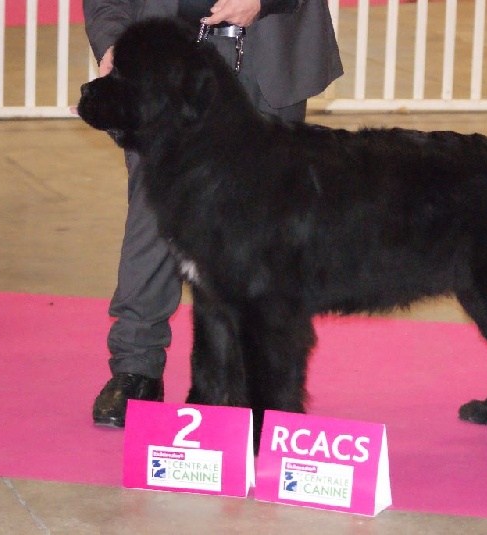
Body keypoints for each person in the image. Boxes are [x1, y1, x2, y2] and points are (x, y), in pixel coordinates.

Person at [84, 0, 343, 427]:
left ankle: (258, 387)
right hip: (162, 72)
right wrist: (113, 42)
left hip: (267, 53)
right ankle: (136, 368)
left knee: (264, 250)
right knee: (152, 220)